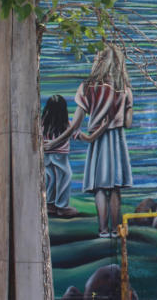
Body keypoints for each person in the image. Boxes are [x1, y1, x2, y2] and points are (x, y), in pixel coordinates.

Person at [47, 44, 133, 238]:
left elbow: (74, 125)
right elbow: (128, 124)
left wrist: (54, 143)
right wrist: (125, 110)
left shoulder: (87, 88)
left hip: (98, 143)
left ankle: (103, 230)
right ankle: (115, 230)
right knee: (115, 188)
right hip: (117, 142)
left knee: (100, 188)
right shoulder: (125, 90)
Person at [42, 95, 79, 218]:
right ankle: (62, 206)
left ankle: (50, 204)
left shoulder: (42, 124)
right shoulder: (66, 124)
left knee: (50, 179)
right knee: (65, 177)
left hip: (46, 157)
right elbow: (75, 134)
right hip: (60, 156)